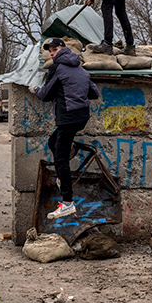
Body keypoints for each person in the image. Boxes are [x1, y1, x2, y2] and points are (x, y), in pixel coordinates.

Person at [30, 38, 100, 219]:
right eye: (50, 51)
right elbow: (94, 93)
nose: (52, 53)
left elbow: (46, 95)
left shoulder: (57, 68)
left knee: (61, 158)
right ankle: (63, 176)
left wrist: (35, 89)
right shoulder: (82, 70)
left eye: (54, 50)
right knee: (53, 142)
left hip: (67, 118)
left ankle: (68, 202)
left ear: (62, 49)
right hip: (81, 117)